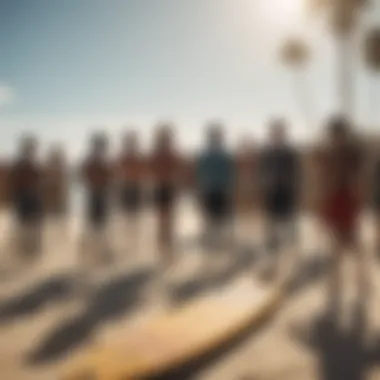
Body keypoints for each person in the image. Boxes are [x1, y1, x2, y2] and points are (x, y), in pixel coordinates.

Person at [315, 116, 368, 321]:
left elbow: (358, 178)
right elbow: (321, 178)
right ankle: (335, 290)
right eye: (333, 134)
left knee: (355, 247)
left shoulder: (353, 153)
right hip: (333, 202)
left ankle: (362, 287)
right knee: (334, 251)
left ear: (345, 134)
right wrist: (322, 209)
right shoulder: (327, 154)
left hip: (348, 202)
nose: (336, 137)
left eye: (339, 134)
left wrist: (357, 201)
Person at [259, 119, 301, 280]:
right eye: (274, 132)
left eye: (279, 131)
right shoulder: (267, 153)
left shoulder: (290, 153)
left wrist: (297, 194)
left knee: (289, 232)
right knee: (271, 233)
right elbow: (263, 175)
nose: (276, 135)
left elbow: (297, 175)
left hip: (287, 195)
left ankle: (290, 267)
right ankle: (273, 266)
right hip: (271, 196)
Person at [196, 123, 235, 257]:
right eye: (213, 136)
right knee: (209, 221)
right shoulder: (205, 157)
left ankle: (222, 249)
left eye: (217, 136)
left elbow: (231, 175)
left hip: (223, 192)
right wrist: (200, 193)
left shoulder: (226, 156)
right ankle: (211, 251)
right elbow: (200, 176)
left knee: (222, 221)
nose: (215, 138)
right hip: (209, 192)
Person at [148, 124, 183, 269]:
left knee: (166, 221)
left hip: (166, 187)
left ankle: (166, 251)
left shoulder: (167, 153)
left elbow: (178, 169)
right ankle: (165, 251)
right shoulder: (162, 153)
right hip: (163, 187)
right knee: (164, 221)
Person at [80, 132, 113, 265]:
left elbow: (110, 177)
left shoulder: (102, 161)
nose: (102, 148)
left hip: (100, 193)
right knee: (94, 224)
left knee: (100, 224)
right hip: (95, 193)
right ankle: (92, 252)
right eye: (101, 145)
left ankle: (99, 252)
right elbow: (85, 175)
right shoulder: (93, 160)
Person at [9, 134, 43, 259]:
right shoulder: (22, 164)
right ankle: (26, 250)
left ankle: (31, 250)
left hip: (31, 196)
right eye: (30, 148)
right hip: (24, 196)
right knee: (26, 224)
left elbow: (37, 181)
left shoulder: (31, 164)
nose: (32, 150)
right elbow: (15, 181)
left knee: (33, 224)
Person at [114, 130, 145, 253]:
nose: (130, 144)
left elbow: (144, 174)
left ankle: (134, 242)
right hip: (126, 188)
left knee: (135, 216)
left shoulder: (137, 157)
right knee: (127, 216)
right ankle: (128, 242)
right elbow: (117, 174)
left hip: (135, 187)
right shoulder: (122, 157)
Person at [43, 145, 69, 222]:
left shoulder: (61, 167)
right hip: (52, 196)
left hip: (58, 195)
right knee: (52, 216)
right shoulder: (49, 167)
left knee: (58, 216)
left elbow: (64, 184)